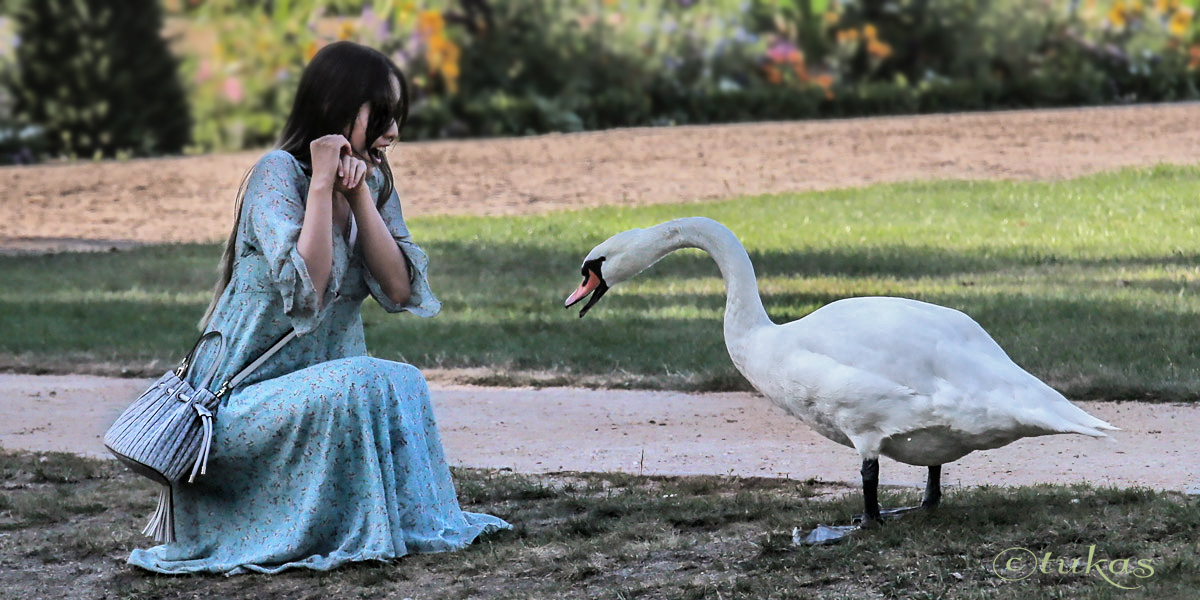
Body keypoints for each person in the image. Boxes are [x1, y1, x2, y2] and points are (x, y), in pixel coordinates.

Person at [128, 41, 510, 575]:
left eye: (396, 117)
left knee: (404, 381)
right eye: (380, 115)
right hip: (235, 409)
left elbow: (398, 290)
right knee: (361, 380)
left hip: (314, 395)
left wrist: (358, 199)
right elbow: (309, 288)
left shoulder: (373, 186)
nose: (393, 132)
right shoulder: (276, 176)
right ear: (335, 108)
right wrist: (324, 185)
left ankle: (399, 523)